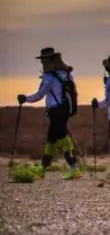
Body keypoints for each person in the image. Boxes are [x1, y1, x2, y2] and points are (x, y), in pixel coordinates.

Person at [17, 47, 81, 179]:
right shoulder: (66, 74)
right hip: (64, 109)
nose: (42, 62)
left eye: (43, 59)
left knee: (62, 138)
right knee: (51, 138)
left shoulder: (49, 77)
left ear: (49, 60)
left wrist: (26, 99)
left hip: (56, 111)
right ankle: (43, 168)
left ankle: (74, 168)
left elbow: (40, 94)